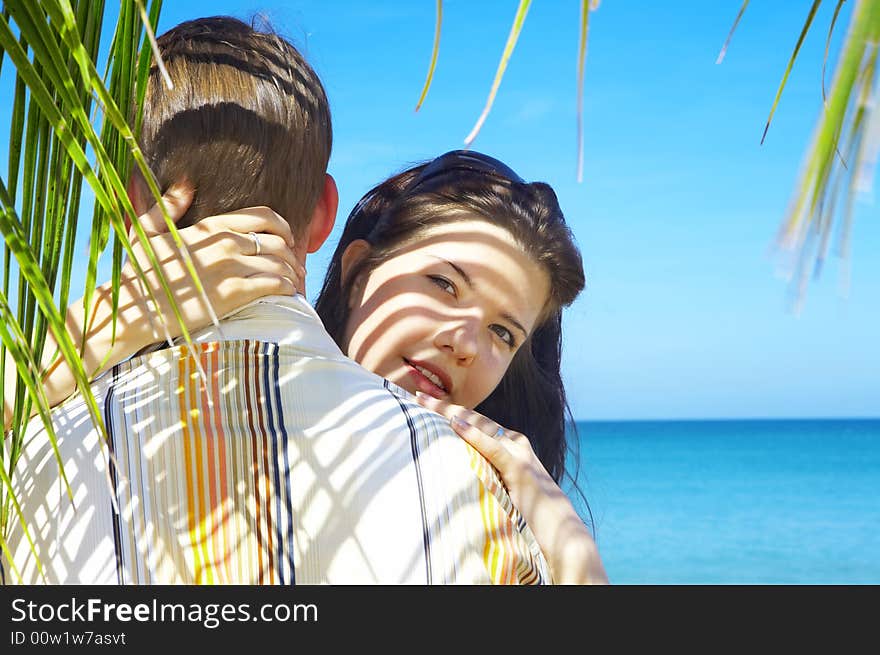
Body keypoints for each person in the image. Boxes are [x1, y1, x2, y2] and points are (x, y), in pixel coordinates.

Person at [3, 16, 588, 585]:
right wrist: (111, 322)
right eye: (443, 284)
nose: (463, 343)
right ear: (339, 243)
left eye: (504, 333)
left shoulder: (40, 454)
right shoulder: (477, 505)